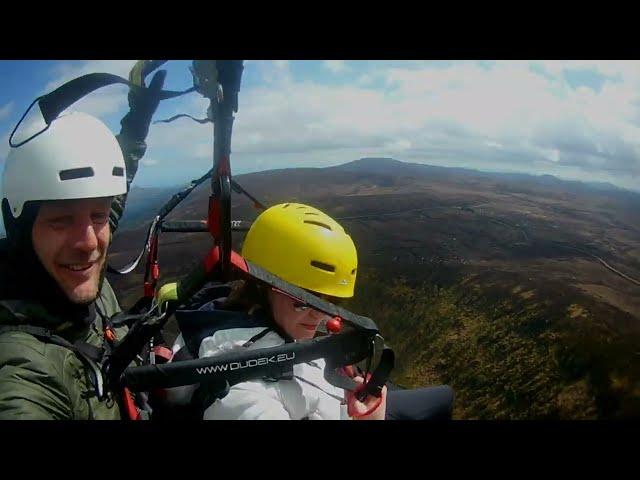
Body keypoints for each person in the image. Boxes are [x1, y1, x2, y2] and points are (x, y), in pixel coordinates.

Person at [171, 203, 454, 420]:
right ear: (262, 286)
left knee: (444, 397)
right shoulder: (238, 392)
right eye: (305, 300)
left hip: (338, 399)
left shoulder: (245, 319)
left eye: (330, 302)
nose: (320, 316)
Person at [0, 66, 166, 419]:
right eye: (61, 220)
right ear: (19, 230)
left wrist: (137, 121)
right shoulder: (22, 369)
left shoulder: (58, 264)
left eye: (98, 216)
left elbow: (111, 204)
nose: (89, 243)